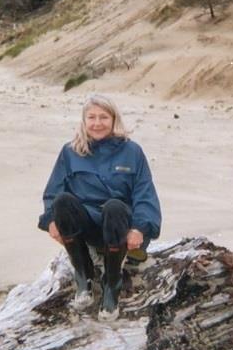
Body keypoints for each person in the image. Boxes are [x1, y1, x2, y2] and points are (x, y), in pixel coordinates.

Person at [38, 94, 162, 321]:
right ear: (83, 121)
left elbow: (145, 194)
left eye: (103, 117)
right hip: (86, 227)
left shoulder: (132, 151)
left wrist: (140, 228)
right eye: (91, 117)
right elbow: (53, 191)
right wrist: (51, 221)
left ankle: (111, 283)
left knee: (114, 206)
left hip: (118, 225)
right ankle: (83, 274)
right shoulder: (70, 151)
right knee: (62, 202)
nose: (97, 123)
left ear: (114, 119)